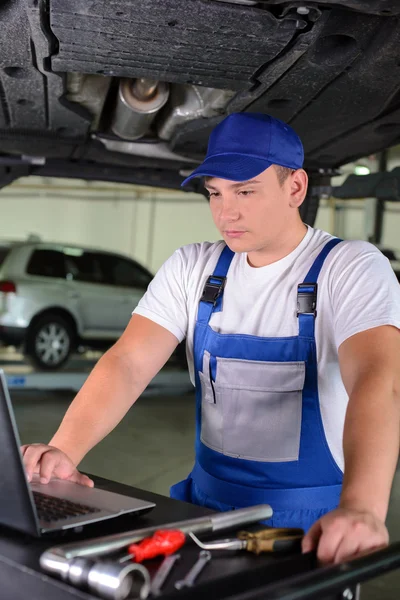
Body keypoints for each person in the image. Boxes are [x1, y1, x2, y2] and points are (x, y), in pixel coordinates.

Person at [22, 113, 400, 565]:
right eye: (215, 193)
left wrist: (363, 508)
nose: (227, 212)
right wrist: (64, 450)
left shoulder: (350, 268)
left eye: (245, 191)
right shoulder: (193, 268)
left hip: (312, 527)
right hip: (204, 512)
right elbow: (128, 362)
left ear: (295, 188)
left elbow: (380, 380)